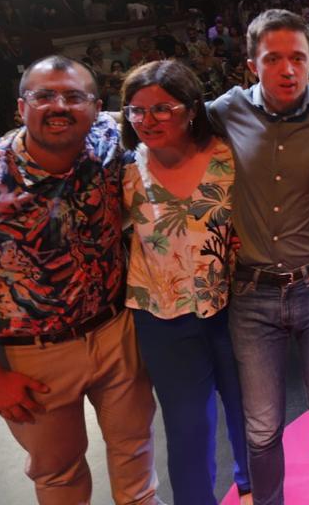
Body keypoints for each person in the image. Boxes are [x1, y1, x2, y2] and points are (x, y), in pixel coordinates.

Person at [0, 56, 161, 504]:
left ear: (96, 105)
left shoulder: (109, 137)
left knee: (136, 452)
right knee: (58, 473)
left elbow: (174, 108)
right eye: (44, 95)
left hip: (116, 330)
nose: (59, 106)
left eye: (73, 96)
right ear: (20, 107)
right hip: (33, 356)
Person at [207, 9, 309, 505]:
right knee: (263, 423)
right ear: (252, 64)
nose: (287, 70)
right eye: (274, 59)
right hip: (251, 291)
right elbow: (157, 123)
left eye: (298, 58)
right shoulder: (225, 111)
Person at [121, 60, 251, 505]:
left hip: (235, 309)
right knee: (187, 428)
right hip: (163, 318)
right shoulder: (124, 170)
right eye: (136, 111)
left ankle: (255, 489)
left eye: (161, 108)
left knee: (249, 416)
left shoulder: (229, 157)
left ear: (192, 109)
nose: (147, 121)